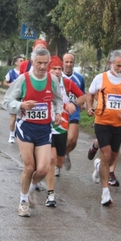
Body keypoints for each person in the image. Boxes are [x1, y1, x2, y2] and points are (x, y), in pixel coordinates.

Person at [4, 48, 63, 217]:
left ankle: (30, 188)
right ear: (32, 62)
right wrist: (21, 106)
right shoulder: (23, 79)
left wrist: (58, 113)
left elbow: (58, 99)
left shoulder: (52, 80)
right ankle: (22, 202)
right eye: (39, 63)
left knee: (43, 169)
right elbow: (8, 101)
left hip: (44, 128)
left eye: (46, 63)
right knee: (29, 166)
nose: (43, 66)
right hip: (26, 127)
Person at [86, 50, 121, 206]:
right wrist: (90, 107)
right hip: (102, 121)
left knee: (111, 158)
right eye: (118, 65)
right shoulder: (100, 78)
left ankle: (98, 166)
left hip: (119, 125)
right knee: (106, 153)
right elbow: (90, 94)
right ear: (111, 63)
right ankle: (105, 193)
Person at [45, 55, 86, 207]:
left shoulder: (67, 83)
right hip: (46, 126)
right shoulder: (43, 82)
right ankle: (50, 194)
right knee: (51, 159)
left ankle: (41, 172)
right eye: (54, 68)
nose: (57, 71)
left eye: (59, 69)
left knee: (59, 162)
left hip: (62, 127)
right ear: (49, 70)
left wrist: (73, 103)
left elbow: (83, 96)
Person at [61, 53, 85, 172]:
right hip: (59, 112)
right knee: (59, 138)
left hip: (74, 111)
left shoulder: (79, 78)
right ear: (62, 62)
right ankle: (58, 161)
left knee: (73, 140)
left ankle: (64, 153)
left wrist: (81, 103)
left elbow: (82, 94)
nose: (69, 64)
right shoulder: (56, 75)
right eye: (66, 62)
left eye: (71, 62)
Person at [3, 55, 23, 143]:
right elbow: (5, 82)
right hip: (13, 98)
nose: (22, 62)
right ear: (16, 63)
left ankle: (19, 133)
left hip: (22, 98)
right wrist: (10, 84)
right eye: (21, 61)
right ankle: (11, 135)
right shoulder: (11, 72)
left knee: (21, 118)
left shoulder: (25, 73)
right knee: (13, 117)